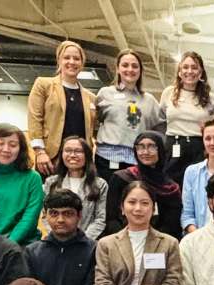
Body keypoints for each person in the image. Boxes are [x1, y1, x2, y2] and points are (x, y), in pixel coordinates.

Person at [94, 180, 183, 285]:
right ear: (122, 207)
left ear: (153, 208)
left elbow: (172, 284)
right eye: (132, 202)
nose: (138, 209)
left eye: (144, 203)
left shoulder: (169, 243)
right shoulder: (106, 244)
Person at [25, 189, 97, 285]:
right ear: (45, 215)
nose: (60, 219)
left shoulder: (94, 250)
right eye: (54, 213)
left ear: (79, 216)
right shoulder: (32, 252)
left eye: (68, 214)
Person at [28, 39, 96, 176]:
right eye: (67, 57)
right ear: (59, 60)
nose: (72, 62)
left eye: (76, 58)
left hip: (80, 162)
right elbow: (35, 118)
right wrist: (40, 152)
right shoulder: (43, 84)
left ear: (82, 63)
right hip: (50, 159)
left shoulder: (91, 97)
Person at [94, 48, 164, 181]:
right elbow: (94, 121)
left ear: (140, 70)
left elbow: (160, 129)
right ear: (118, 69)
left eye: (135, 66)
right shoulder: (105, 93)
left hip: (137, 161)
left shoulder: (149, 100)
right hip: (107, 159)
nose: (130, 69)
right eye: (125, 65)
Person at [104, 131, 183, 239]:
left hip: (158, 244)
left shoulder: (170, 188)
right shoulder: (122, 178)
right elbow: (111, 219)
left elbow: (172, 224)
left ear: (160, 150)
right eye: (140, 147)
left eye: (151, 147)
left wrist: (153, 241)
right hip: (123, 240)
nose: (145, 152)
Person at [160, 51, 214, 183]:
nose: (190, 71)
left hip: (199, 148)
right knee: (171, 189)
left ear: (201, 72)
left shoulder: (211, 97)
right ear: (179, 71)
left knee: (198, 188)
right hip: (173, 147)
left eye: (194, 67)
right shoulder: (168, 93)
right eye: (185, 67)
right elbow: (161, 119)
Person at [42, 136, 108, 240]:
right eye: (68, 150)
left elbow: (100, 219)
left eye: (78, 151)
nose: (72, 155)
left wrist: (82, 241)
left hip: (87, 243)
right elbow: (45, 215)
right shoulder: (51, 183)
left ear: (87, 155)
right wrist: (58, 237)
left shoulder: (100, 184)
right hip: (57, 241)